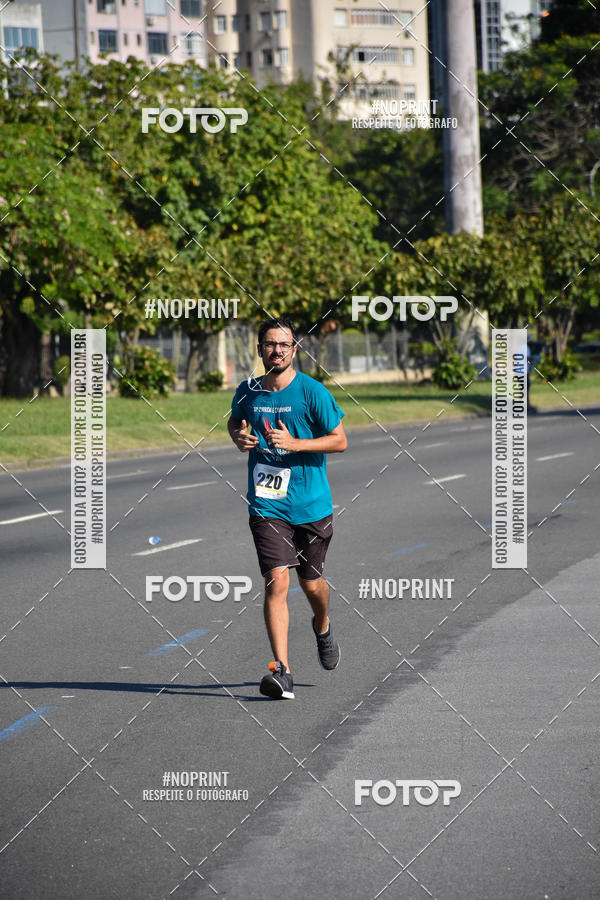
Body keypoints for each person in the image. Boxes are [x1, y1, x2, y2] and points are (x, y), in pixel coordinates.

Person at [228, 317, 347, 700]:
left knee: (311, 585)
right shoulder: (248, 391)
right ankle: (282, 672)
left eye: (284, 344)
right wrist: (239, 437)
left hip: (311, 505)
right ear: (260, 349)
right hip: (267, 504)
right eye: (270, 344)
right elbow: (234, 422)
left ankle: (322, 624)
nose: (276, 350)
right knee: (276, 581)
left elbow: (339, 440)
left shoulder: (312, 392)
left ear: (294, 349)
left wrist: (297, 444)